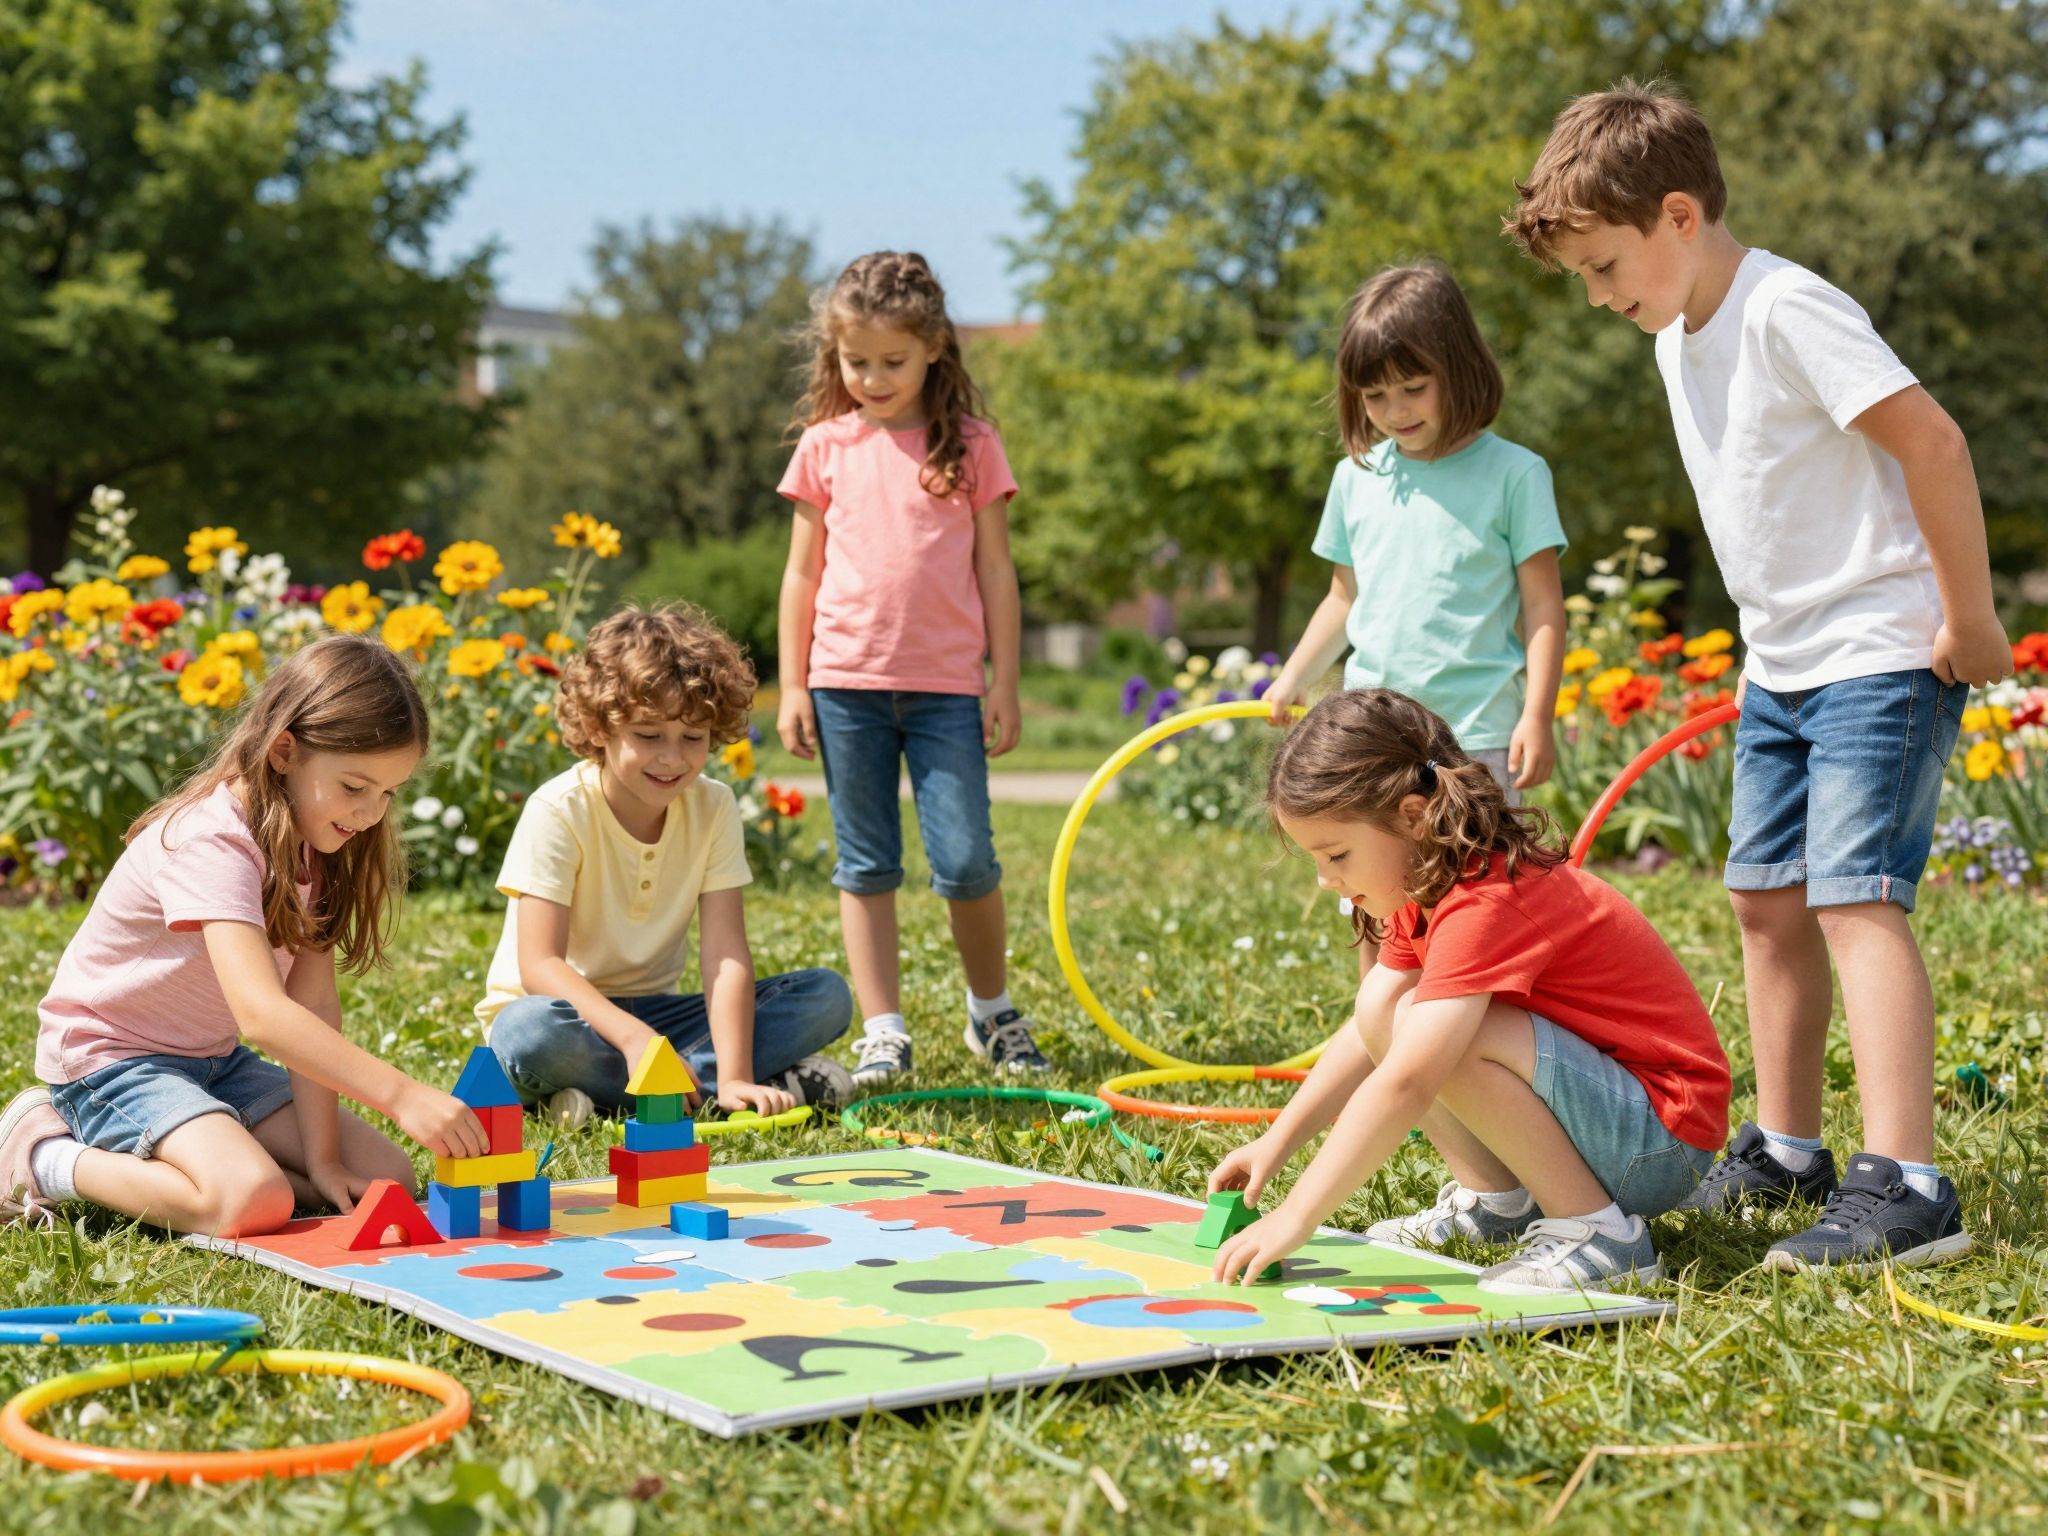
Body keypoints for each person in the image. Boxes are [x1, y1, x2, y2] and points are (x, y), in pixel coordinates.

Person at [1507, 79, 2009, 1270]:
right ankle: (1788, 1147)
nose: (1597, 296)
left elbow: (1931, 441)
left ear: (1677, 214)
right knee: (1761, 899)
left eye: (1604, 264)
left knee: (1852, 899)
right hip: (1780, 664)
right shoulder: (1678, 332)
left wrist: (1970, 615)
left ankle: (1908, 1186)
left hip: (1880, 651)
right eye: (1581, 276)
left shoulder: (1788, 308)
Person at [1209, 690, 1730, 1294]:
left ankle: (1602, 1236)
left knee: (1448, 1035)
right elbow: (1367, 1032)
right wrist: (1279, 1140)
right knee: (1385, 1006)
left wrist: (1297, 1215)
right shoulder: (1427, 883)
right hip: (1610, 1123)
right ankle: (1499, 1205)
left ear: (1411, 816)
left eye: (1338, 855)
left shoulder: (1488, 896)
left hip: (1659, 1142)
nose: (1329, 881)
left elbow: (1409, 1079)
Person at [1, 636, 483, 1236]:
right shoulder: (213, 840)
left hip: (214, 1062)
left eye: (388, 792)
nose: (371, 814)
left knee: (384, 1178)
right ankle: (43, 1156)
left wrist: (326, 1160)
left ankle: (229, 1151)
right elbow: (262, 1014)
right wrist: (404, 1095)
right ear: (285, 751)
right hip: (113, 1063)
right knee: (250, 1202)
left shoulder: (318, 842)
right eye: (355, 787)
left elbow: (311, 1006)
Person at [775, 250, 1047, 1087]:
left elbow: (996, 570)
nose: (873, 378)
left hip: (946, 691)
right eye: (856, 362)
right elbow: (801, 575)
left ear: (933, 347)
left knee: (965, 861)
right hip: (846, 685)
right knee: (865, 864)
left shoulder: (971, 445)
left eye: (892, 361)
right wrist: (791, 682)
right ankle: (885, 1028)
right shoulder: (826, 447)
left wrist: (1003, 680)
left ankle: (991, 1009)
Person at [482, 603, 853, 1125]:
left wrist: (736, 1074)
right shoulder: (558, 808)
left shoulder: (714, 805)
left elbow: (725, 954)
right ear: (599, 728)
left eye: (693, 738)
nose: (672, 758)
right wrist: (636, 1041)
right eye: (649, 735)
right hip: (568, 1017)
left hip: (660, 1014)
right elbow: (540, 965)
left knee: (825, 997)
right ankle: (657, 1088)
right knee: (528, 1034)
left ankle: (654, 1093)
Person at [1263, 262, 1567, 807]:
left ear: (1458, 368)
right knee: (1370, 881)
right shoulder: (1354, 478)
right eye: (1375, 395)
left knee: (1479, 885)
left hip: (1476, 736)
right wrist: (1294, 677)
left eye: (1413, 387)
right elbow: (1343, 599)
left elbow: (1543, 607)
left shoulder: (1515, 475)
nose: (1394, 410)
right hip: (1373, 735)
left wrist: (1537, 716)